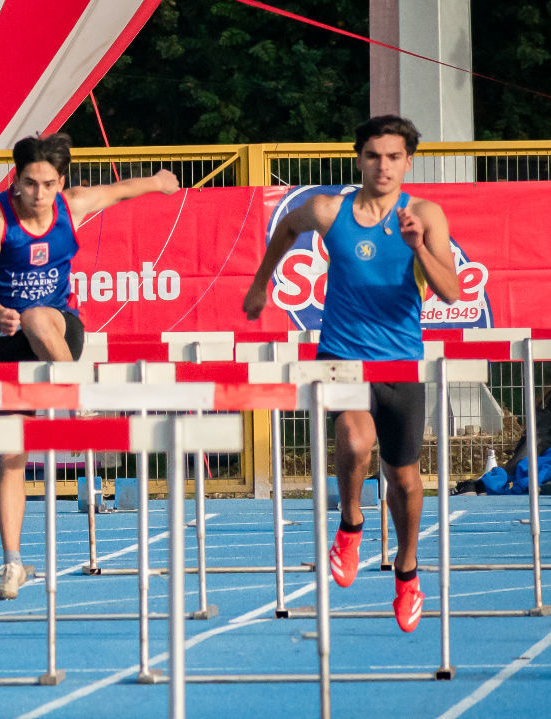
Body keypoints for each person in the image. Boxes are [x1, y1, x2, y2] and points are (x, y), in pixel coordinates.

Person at [242, 115, 461, 632]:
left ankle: (406, 572)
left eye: (393, 157)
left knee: (405, 479)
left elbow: (450, 290)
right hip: (340, 356)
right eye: (373, 156)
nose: (383, 166)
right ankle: (350, 524)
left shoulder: (425, 214)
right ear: (358, 158)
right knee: (356, 441)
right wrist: (259, 285)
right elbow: (286, 227)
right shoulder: (328, 209)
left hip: (400, 361)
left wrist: (419, 247)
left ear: (408, 162)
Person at [0, 133, 179, 600]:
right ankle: (13, 563)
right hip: (8, 338)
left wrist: (161, 181)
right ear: (16, 181)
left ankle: (76, 397)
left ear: (60, 182)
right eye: (29, 184)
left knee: (40, 315)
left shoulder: (73, 205)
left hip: (62, 331)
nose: (39, 195)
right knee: (9, 454)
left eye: (47, 184)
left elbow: (123, 190)